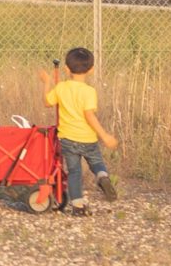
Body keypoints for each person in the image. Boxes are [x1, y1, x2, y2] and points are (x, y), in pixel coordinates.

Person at [42, 45, 120, 215]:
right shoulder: (89, 92)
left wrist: (47, 83)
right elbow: (89, 115)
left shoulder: (61, 87)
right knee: (96, 162)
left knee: (74, 172)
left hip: (68, 139)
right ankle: (101, 176)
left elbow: (47, 102)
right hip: (88, 138)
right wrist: (104, 135)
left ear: (66, 68)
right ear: (91, 70)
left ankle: (77, 207)